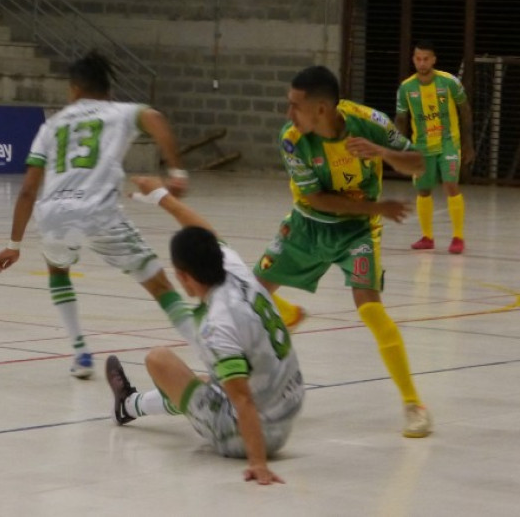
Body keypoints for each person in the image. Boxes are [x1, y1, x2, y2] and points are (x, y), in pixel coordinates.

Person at [0, 51, 194, 379]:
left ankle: (80, 353)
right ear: (108, 88)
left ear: (73, 89)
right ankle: (210, 353)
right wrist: (177, 171)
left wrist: (14, 244)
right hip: (98, 211)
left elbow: (28, 189)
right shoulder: (120, 112)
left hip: (54, 213)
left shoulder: (52, 124)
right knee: (159, 284)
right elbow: (156, 119)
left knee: (57, 269)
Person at [254, 65, 432, 437]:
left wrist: (382, 152)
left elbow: (420, 162)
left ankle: (414, 404)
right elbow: (318, 198)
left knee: (370, 307)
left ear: (321, 109)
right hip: (306, 223)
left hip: (356, 232)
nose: (289, 114)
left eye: (294, 106)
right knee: (251, 292)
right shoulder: (291, 139)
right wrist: (377, 208)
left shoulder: (370, 122)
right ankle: (287, 316)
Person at [105, 176, 304, 485]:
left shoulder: (216, 326)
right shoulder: (236, 268)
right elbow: (205, 232)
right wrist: (160, 196)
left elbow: (242, 400)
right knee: (208, 380)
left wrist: (258, 463)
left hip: (253, 436)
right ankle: (128, 407)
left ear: (184, 276)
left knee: (160, 360)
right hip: (289, 407)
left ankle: (128, 405)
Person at [395, 40, 474, 254]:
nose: (422, 63)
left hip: (448, 142)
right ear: (413, 60)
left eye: (426, 59)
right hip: (422, 146)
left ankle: (458, 237)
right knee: (423, 190)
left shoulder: (449, 82)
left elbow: (464, 110)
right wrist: (400, 150)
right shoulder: (406, 88)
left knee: (450, 184)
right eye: (418, 59)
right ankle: (427, 236)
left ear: (434, 60)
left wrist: (468, 144)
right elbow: (401, 119)